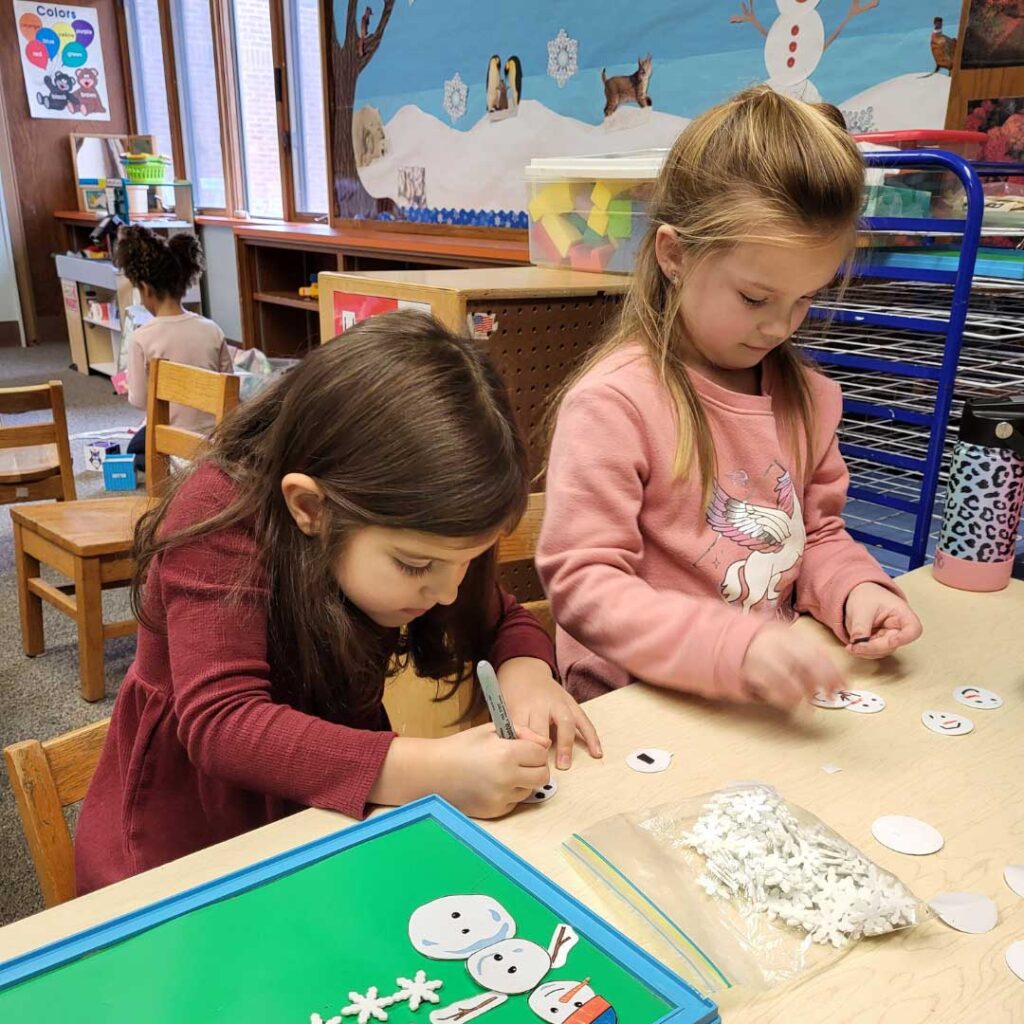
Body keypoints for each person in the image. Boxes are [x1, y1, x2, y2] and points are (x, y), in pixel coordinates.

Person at [76, 312, 600, 894]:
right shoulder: (218, 516)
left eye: (469, 560)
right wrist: (429, 772)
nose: (448, 591)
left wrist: (526, 672)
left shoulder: (408, 535)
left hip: (320, 818)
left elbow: (498, 615)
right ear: (310, 508)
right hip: (181, 852)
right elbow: (224, 724)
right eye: (417, 565)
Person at [537, 86, 922, 711]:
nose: (781, 327)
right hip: (634, 707)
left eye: (805, 299)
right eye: (755, 298)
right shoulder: (615, 405)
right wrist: (732, 648)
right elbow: (583, 586)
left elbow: (817, 536)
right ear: (674, 255)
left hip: (756, 700)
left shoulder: (807, 401)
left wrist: (856, 592)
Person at [114, 225, 233, 471]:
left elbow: (139, 400)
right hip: (216, 444)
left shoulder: (142, 337)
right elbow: (230, 391)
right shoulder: (212, 329)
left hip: (172, 447)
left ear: (145, 289)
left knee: (135, 448)